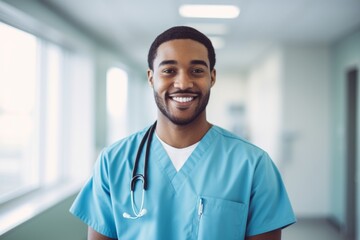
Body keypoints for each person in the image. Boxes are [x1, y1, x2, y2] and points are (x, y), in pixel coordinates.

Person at [70, 26, 296, 240]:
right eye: (169, 70)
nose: (183, 82)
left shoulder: (253, 164)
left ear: (212, 77)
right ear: (151, 77)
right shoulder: (113, 162)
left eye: (197, 70)